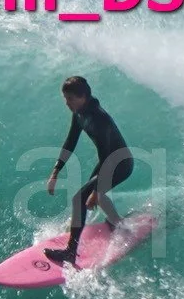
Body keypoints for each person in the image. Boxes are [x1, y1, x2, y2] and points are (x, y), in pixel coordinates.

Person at [45, 75, 132, 265]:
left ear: (82, 96)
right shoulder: (79, 113)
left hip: (120, 164)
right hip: (107, 161)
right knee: (90, 195)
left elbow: (108, 156)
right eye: (65, 99)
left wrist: (96, 191)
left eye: (70, 99)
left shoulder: (99, 119)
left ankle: (70, 251)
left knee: (80, 198)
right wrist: (55, 172)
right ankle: (119, 224)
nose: (67, 103)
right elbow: (70, 142)